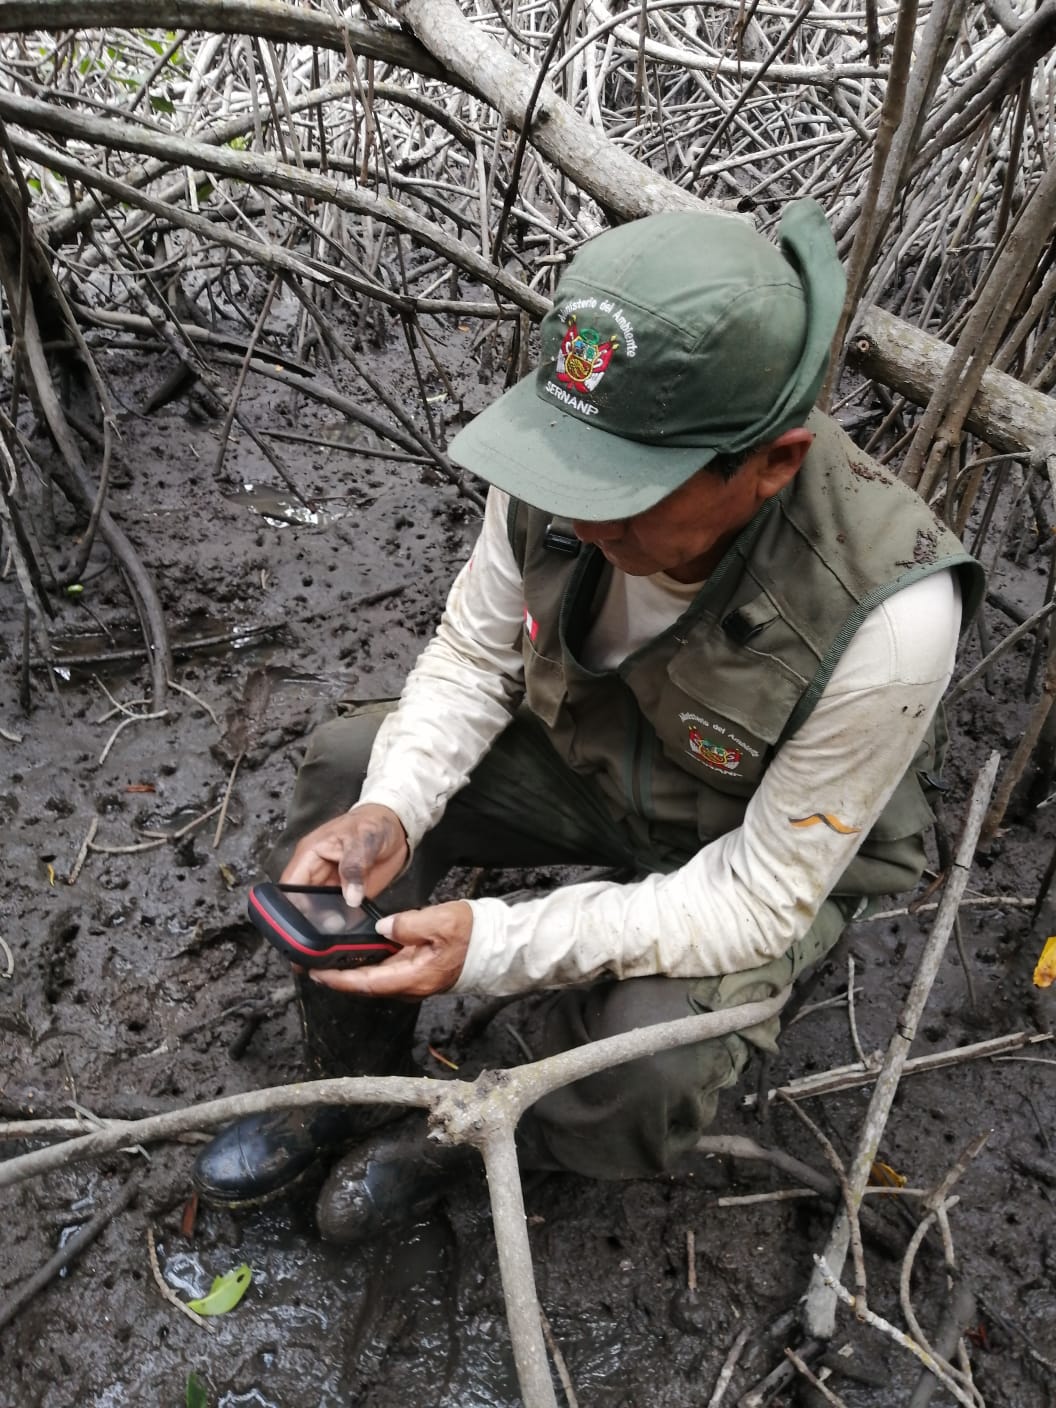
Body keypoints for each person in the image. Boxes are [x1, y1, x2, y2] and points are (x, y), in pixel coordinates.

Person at [192, 200, 983, 1237]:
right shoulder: (560, 464)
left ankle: (477, 1129)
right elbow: (476, 655)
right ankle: (356, 1085)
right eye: (573, 470)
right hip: (587, 757)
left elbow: (756, 897)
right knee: (349, 770)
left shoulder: (890, 612)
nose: (583, 514)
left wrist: (492, 944)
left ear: (773, 463)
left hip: (744, 845)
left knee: (654, 1060)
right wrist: (393, 806)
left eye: (634, 492)